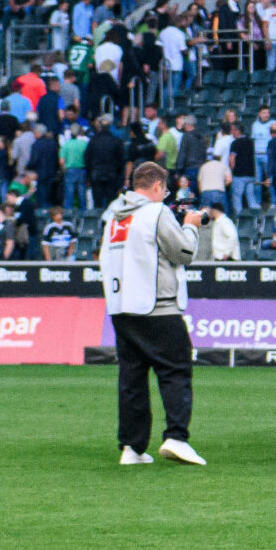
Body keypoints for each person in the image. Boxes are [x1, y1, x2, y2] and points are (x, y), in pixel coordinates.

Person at [100, 162, 206, 466]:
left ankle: (132, 447)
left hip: (123, 307)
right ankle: (176, 436)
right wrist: (191, 226)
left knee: (132, 379)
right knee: (175, 371)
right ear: (157, 186)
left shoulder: (113, 215)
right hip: (157, 306)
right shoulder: (155, 212)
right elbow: (183, 252)